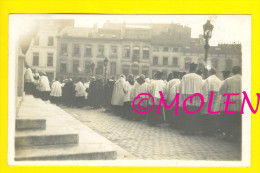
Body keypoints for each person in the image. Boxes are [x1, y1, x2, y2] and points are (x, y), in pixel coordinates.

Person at [219, 66, 242, 141]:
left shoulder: (228, 80)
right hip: (241, 102)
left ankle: (228, 134)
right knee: (238, 119)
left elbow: (222, 91)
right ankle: (237, 135)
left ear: (232, 71)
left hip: (229, 103)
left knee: (228, 119)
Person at [180, 63, 203, 134]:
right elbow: (201, 88)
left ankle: (187, 130)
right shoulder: (199, 77)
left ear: (190, 68)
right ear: (195, 69)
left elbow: (182, 89)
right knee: (195, 115)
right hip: (196, 98)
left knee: (187, 115)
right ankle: (194, 130)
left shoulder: (185, 77)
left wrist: (182, 98)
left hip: (187, 98)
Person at [201, 68, 222, 135]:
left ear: (210, 72)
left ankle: (207, 130)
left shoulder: (208, 80)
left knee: (207, 115)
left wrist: (204, 100)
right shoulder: (219, 80)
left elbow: (205, 90)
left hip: (209, 98)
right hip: (217, 99)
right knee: (214, 115)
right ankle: (213, 131)